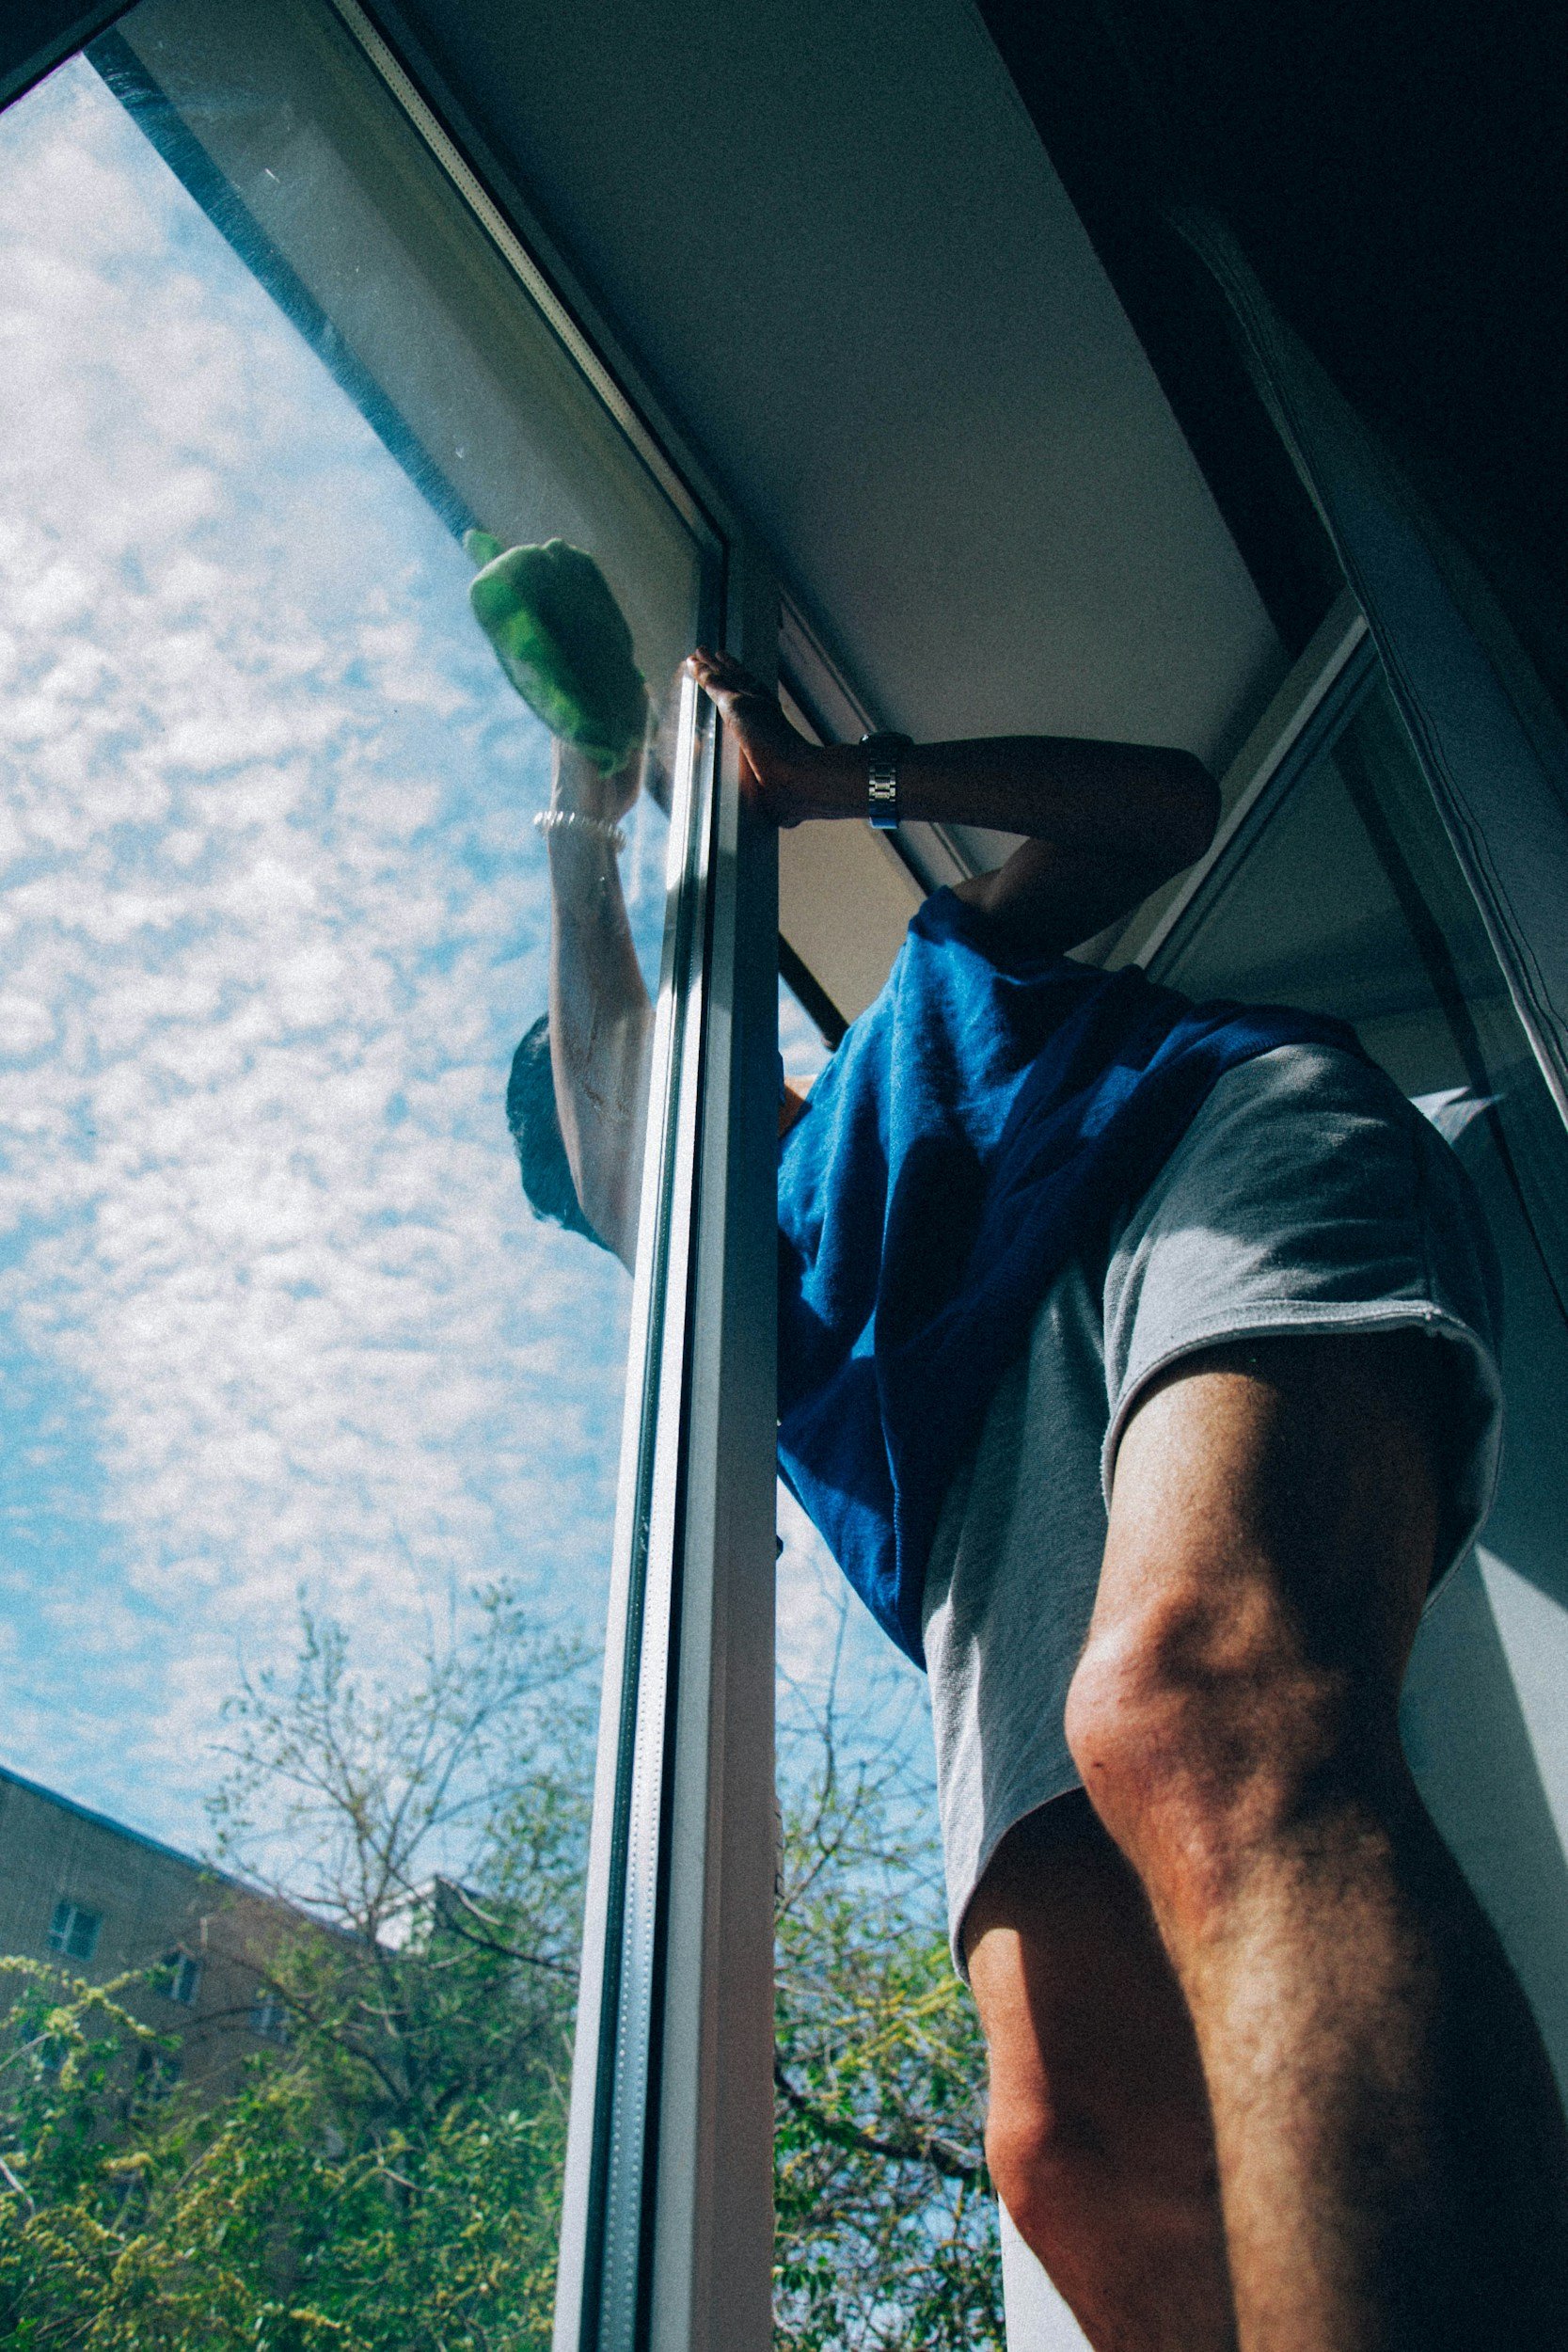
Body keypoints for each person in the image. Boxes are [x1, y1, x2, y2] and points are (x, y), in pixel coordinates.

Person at [520, 646, 1568, 2352]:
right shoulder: (757, 1347)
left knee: (1196, 1701)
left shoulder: (906, 1034)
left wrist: (821, 784)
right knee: (1063, 2140)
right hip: (1007, 1494)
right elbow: (603, 1131)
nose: (658, 1174)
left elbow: (1168, 805)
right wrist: (581, 835)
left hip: (1192, 1167)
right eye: (614, 1207)